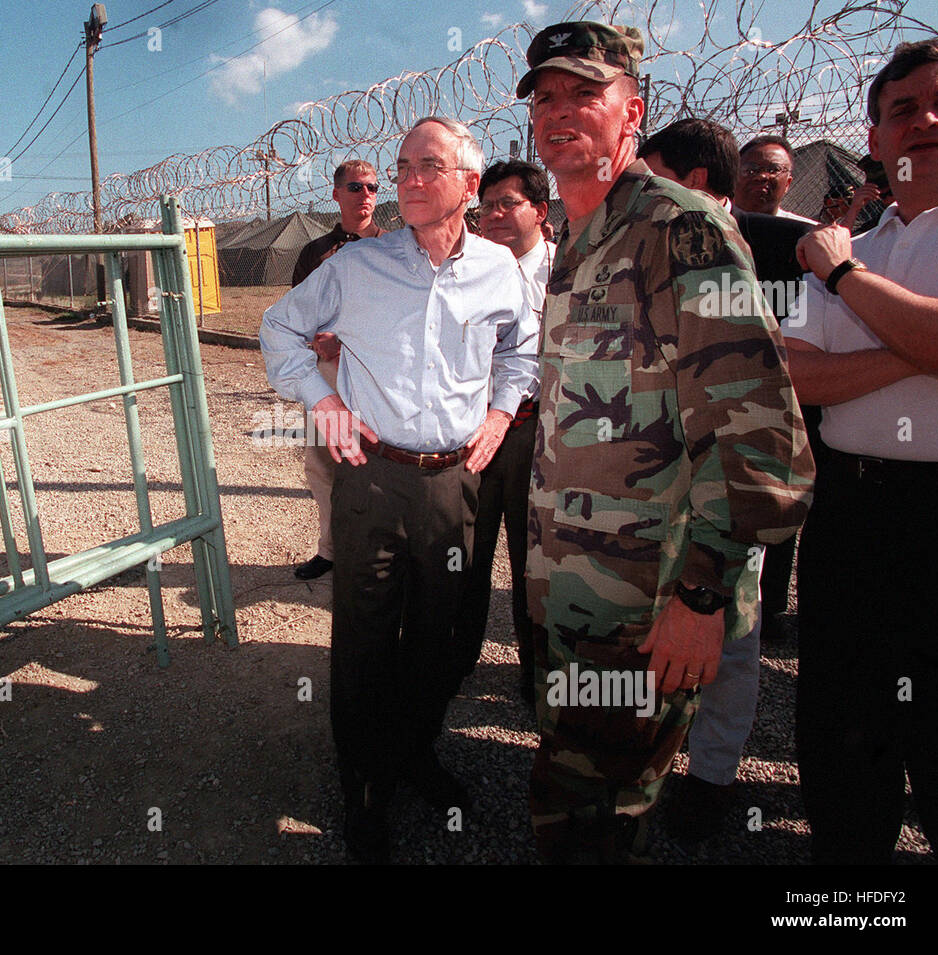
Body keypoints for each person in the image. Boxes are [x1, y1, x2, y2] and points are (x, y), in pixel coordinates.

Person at [516, 21, 815, 863]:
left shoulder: (680, 230)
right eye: (546, 96)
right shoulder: (576, 237)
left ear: (632, 112)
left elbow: (760, 433)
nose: (560, 110)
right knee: (576, 796)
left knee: (592, 816)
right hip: (576, 590)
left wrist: (704, 598)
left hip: (650, 601)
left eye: (585, 93)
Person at [261, 117, 535, 863]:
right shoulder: (357, 267)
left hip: (453, 483)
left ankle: (415, 750)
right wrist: (323, 403)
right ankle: (364, 788)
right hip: (371, 481)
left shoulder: (499, 270)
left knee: (440, 636)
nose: (409, 179)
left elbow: (523, 350)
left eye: (429, 166)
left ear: (469, 185)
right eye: (401, 165)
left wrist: (502, 411)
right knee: (365, 640)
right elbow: (277, 329)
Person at [782, 36, 938, 864]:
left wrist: (850, 287)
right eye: (901, 110)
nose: (924, 120)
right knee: (845, 726)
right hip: (852, 511)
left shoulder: (840, 262)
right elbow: (796, 377)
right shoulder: (868, 242)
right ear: (876, 138)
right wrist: (923, 345)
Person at [639, 117, 816, 841]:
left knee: (734, 635)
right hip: (662, 478)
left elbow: (797, 356)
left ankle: (711, 778)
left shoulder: (788, 245)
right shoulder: (648, 245)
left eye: (649, 175)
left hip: (743, 461)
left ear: (691, 182)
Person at [456, 159, 551, 703]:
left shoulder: (566, 272)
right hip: (471, 431)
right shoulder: (464, 268)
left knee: (533, 561)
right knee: (465, 551)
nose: (492, 215)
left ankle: (536, 674)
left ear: (539, 211)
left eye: (506, 204)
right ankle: (457, 658)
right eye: (485, 204)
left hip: (537, 433)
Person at [288, 160, 385, 581]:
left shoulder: (392, 248)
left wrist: (345, 342)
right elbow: (295, 315)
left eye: (372, 187)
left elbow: (396, 318)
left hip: (374, 375)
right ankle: (331, 549)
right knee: (323, 465)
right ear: (336, 194)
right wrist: (318, 341)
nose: (364, 195)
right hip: (325, 375)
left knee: (376, 467)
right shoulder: (315, 253)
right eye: (355, 187)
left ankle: (376, 552)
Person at [734, 135, 818, 223]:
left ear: (787, 183)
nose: (761, 176)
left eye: (773, 170)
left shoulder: (809, 232)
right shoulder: (719, 225)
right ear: (734, 177)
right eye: (751, 170)